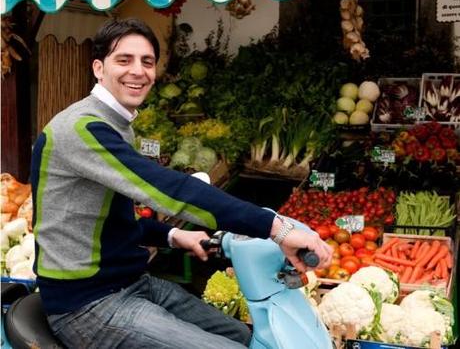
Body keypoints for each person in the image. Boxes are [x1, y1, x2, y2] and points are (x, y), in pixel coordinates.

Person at [30, 18, 332, 349]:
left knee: (248, 337)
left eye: (147, 61)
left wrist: (173, 235)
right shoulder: (82, 129)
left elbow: (107, 222)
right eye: (124, 60)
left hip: (130, 283)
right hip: (87, 305)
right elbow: (166, 187)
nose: (138, 71)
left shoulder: (115, 124)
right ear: (99, 68)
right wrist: (277, 229)